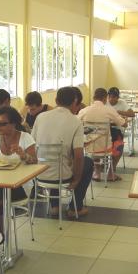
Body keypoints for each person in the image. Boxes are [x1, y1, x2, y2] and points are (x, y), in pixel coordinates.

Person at [32, 86, 94, 218]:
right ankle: (75, 208)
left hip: (39, 174)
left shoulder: (40, 117)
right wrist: (76, 179)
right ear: (75, 101)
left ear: (56, 100)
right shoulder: (76, 121)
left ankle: (54, 206)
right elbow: (78, 156)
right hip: (62, 176)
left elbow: (32, 145)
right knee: (88, 162)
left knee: (53, 162)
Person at [79, 88, 127, 182]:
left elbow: (76, 123)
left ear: (93, 98)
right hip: (105, 148)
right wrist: (125, 120)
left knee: (94, 143)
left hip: (88, 147)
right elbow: (124, 124)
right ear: (105, 98)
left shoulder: (84, 111)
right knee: (119, 144)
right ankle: (110, 173)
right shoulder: (109, 110)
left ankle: (97, 172)